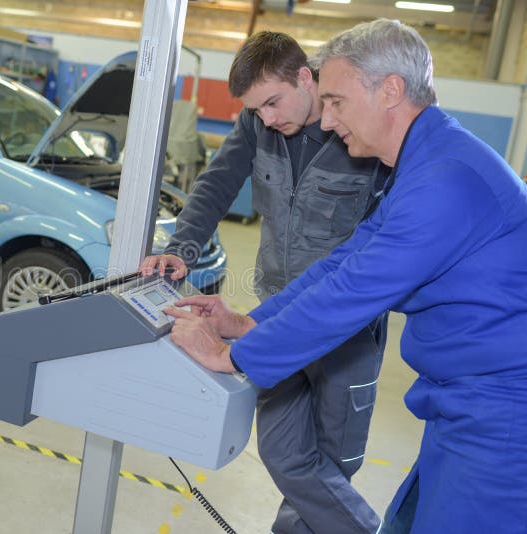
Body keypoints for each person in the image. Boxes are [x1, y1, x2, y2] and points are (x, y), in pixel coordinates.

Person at [164, 18, 527, 534]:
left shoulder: (442, 183)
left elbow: (354, 291)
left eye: (335, 101)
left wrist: (231, 356)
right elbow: (344, 263)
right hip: (463, 404)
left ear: (390, 91)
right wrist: (249, 324)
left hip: (503, 414)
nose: (328, 121)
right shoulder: (427, 164)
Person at [141, 32, 387, 534]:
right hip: (273, 315)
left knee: (333, 460)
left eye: (273, 102)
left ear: (305, 77)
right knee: (281, 450)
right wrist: (181, 248)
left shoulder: (361, 131)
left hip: (348, 328)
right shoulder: (259, 123)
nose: (269, 119)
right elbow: (218, 180)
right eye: (258, 110)